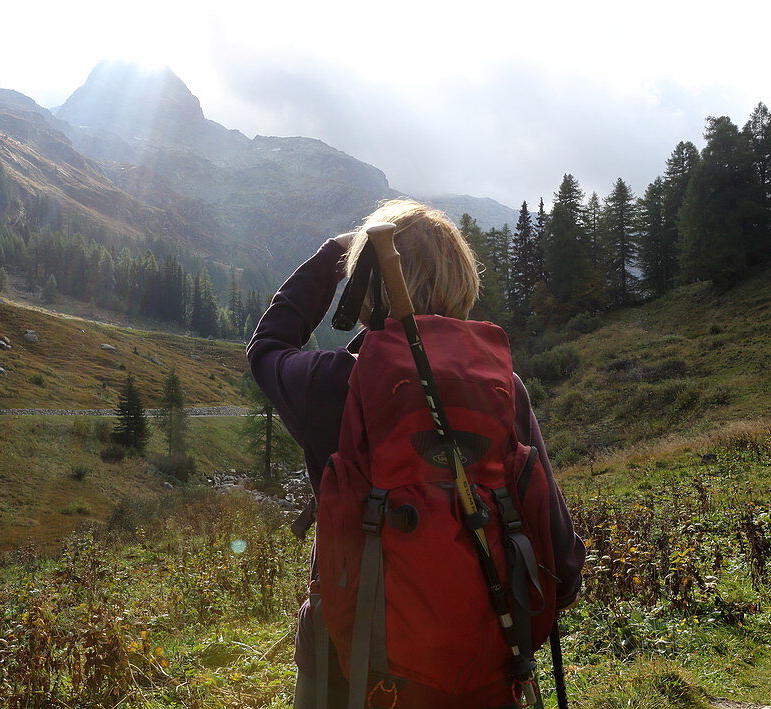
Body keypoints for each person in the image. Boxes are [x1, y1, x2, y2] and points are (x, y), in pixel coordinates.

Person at [246, 198, 585, 708]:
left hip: (356, 666)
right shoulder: (501, 386)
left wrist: (330, 258)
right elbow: (548, 521)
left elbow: (268, 347)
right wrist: (561, 586)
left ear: (366, 285)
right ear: (462, 282)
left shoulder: (336, 383)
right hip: (489, 651)